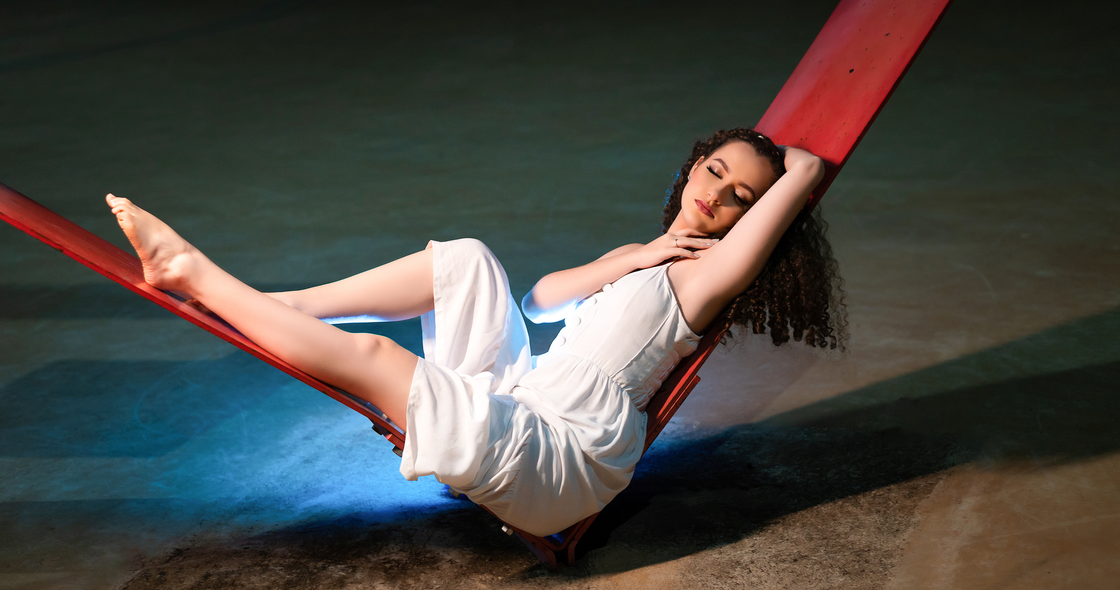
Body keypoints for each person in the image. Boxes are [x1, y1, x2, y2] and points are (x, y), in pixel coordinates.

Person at [105, 127, 845, 537]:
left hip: (558, 458)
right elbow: (539, 303)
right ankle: (293, 307)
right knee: (467, 260)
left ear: (753, 218)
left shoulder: (711, 277)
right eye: (712, 171)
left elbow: (807, 167)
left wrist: (791, 172)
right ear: (691, 167)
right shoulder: (651, 256)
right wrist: (632, 257)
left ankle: (191, 272)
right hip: (524, 401)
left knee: (377, 357)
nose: (714, 194)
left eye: (739, 196)